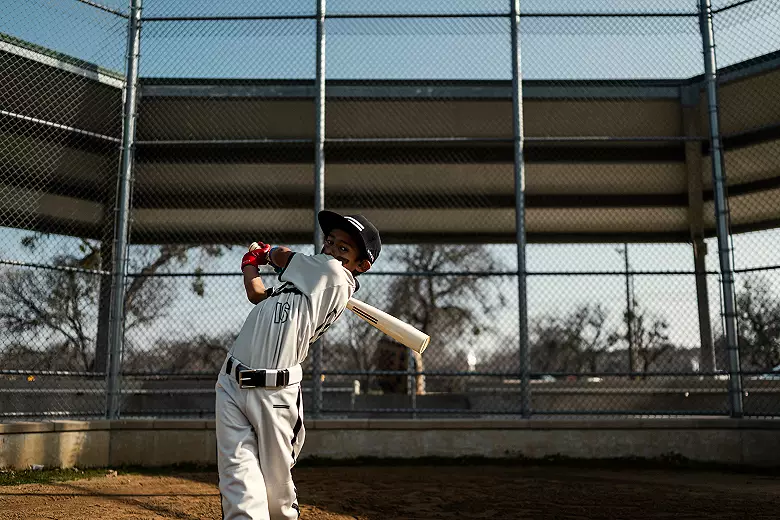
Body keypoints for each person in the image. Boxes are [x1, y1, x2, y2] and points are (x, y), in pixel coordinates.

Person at [215, 210, 381, 520]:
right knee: (238, 479)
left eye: (343, 248)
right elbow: (257, 294)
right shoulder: (299, 284)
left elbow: (282, 255)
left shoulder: (335, 275)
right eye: (330, 241)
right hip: (231, 382)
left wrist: (265, 253)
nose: (331, 250)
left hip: (276, 394)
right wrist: (249, 266)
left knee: (276, 492)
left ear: (361, 266)